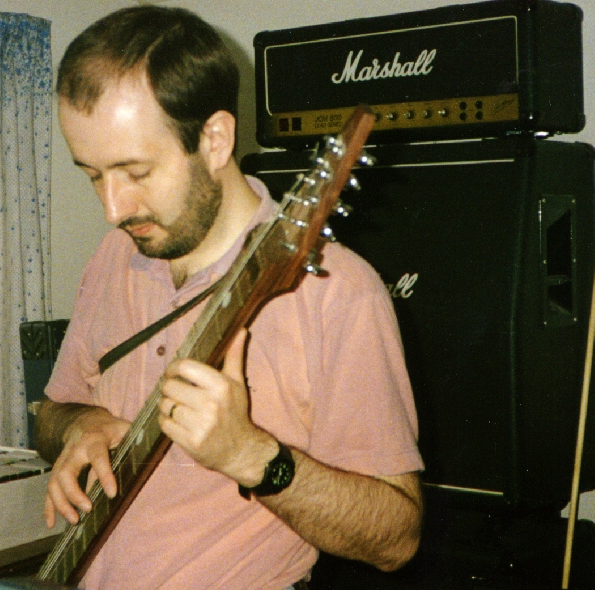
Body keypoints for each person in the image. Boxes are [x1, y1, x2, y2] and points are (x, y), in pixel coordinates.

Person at [36, 6, 424, 589]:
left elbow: (398, 537)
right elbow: (50, 413)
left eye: (135, 172)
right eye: (93, 175)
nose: (113, 209)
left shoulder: (338, 292)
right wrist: (80, 426)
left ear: (215, 139)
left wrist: (253, 458)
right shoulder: (114, 257)